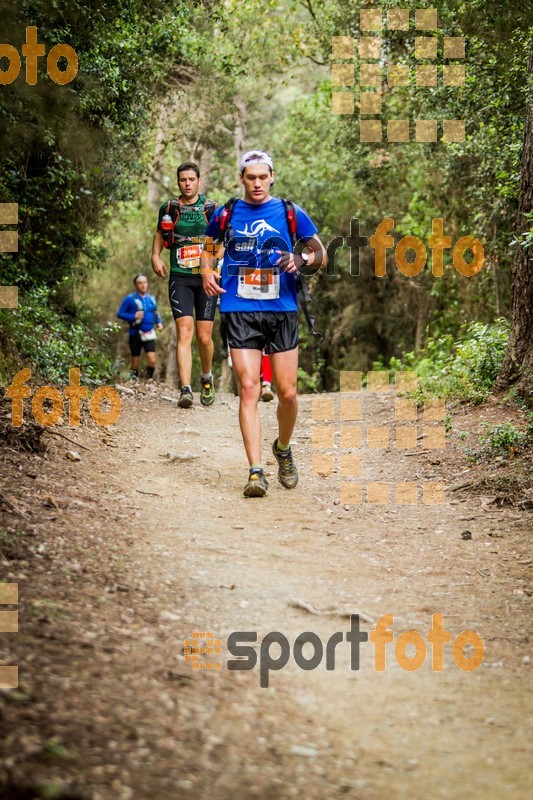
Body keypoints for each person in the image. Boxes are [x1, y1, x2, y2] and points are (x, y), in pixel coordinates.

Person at [200, 150, 327, 497]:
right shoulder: (227, 213)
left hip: (282, 308)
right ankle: (255, 471)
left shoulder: (290, 212)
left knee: (287, 392)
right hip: (238, 307)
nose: (257, 183)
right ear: (241, 178)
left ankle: (283, 447)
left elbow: (320, 254)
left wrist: (301, 258)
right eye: (250, 177)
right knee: (250, 389)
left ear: (272, 177)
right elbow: (208, 248)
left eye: (262, 177)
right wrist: (207, 271)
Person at [151, 162, 217, 408]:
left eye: (191, 179)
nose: (187, 184)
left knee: (204, 337)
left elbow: (220, 238)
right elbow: (160, 233)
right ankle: (186, 389)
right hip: (180, 276)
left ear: (199, 181)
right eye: (182, 180)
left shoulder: (211, 208)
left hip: (206, 278)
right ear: (178, 182)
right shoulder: (169, 208)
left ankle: (207, 378)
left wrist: (210, 265)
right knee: (184, 332)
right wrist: (155, 256)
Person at [117, 273, 163, 380]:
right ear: (136, 285)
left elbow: (155, 311)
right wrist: (133, 316)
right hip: (135, 332)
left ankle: (148, 381)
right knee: (135, 362)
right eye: (140, 283)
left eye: (145, 282)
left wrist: (159, 322)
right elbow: (120, 313)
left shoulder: (151, 298)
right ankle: (134, 383)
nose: (143, 285)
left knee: (152, 360)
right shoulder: (130, 298)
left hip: (149, 332)